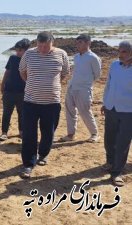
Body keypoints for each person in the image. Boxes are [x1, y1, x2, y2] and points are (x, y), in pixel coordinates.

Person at [19, 31, 70, 179]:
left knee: (48, 132)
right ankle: (28, 164)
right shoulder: (29, 54)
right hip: (30, 101)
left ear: (52, 43)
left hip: (52, 103)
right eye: (40, 46)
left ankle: (43, 154)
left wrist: (50, 85)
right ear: (36, 43)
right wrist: (32, 83)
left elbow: (64, 73)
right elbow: (22, 71)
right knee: (29, 134)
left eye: (46, 46)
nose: (42, 49)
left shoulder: (62, 54)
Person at [101, 40, 132, 187]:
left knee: (122, 143)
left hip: (128, 111)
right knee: (109, 139)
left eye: (124, 51)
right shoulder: (114, 65)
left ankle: (117, 172)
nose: (120, 54)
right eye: (119, 51)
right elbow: (108, 85)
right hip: (111, 108)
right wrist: (105, 103)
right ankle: (111, 162)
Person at [59, 34, 101, 143]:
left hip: (84, 89)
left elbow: (97, 74)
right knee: (69, 111)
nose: (77, 45)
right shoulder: (77, 57)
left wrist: (86, 82)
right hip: (72, 86)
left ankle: (94, 133)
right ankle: (70, 134)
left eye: (80, 42)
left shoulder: (93, 58)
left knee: (85, 111)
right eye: (77, 42)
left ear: (88, 43)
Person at [0, 39, 30, 141]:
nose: (18, 52)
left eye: (20, 50)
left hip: (23, 91)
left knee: (22, 113)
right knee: (7, 112)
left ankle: (21, 131)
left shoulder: (29, 60)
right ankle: (4, 133)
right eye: (17, 50)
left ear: (26, 50)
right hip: (9, 90)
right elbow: (7, 72)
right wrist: (2, 85)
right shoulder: (12, 58)